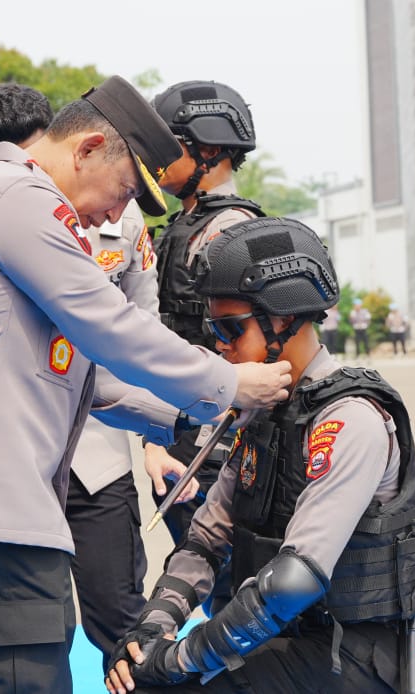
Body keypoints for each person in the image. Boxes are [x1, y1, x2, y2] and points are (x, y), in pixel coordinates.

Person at [0, 76, 294, 694]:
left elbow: (90, 375)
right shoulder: (19, 196)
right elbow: (110, 326)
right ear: (87, 148)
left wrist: (193, 416)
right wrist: (228, 381)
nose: (115, 214)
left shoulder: (10, 200)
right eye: (124, 191)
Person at [105, 217, 415, 694]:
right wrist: (152, 629)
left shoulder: (348, 420)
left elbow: (294, 581)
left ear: (283, 320)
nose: (219, 344)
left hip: (346, 656)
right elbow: (206, 540)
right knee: (138, 675)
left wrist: (180, 658)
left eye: (230, 327)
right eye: (213, 328)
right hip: (282, 641)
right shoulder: (264, 412)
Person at [0, 82, 189, 672]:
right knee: (26, 631)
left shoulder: (124, 212)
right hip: (17, 459)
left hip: (98, 454)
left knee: (119, 617)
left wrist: (156, 440)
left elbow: (141, 333)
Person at [144, 80, 264, 556]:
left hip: (216, 444)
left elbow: (252, 347)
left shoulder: (231, 232)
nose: (154, 158)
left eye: (167, 144)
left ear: (209, 149)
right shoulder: (181, 226)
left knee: (223, 580)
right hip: (179, 432)